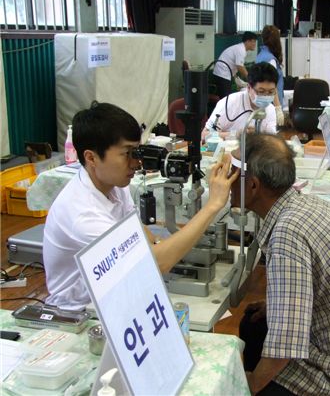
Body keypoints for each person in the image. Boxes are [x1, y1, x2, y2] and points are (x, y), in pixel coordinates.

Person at [233, 133, 330, 395]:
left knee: (256, 373)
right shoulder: (306, 203)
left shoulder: (288, 233)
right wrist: (276, 304)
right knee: (253, 323)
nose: (226, 179)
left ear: (253, 185)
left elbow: (284, 346)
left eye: (233, 172)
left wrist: (247, 387)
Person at [43, 102, 238, 310]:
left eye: (136, 152)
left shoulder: (113, 185)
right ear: (91, 157)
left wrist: (157, 245)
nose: (136, 163)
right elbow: (158, 264)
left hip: (114, 290)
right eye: (127, 153)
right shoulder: (82, 214)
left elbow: (136, 228)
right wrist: (213, 205)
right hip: (81, 310)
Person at [202, 63, 278, 142]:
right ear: (249, 87)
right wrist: (235, 135)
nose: (266, 96)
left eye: (271, 92)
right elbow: (204, 135)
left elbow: (272, 139)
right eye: (261, 91)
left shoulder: (270, 109)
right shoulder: (229, 104)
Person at [213, 32, 258, 98]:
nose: (255, 44)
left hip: (223, 74)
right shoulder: (241, 50)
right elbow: (240, 67)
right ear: (247, 41)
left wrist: (237, 79)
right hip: (222, 74)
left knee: (225, 98)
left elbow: (235, 65)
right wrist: (250, 80)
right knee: (225, 99)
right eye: (253, 42)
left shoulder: (240, 49)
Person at [256, 25, 285, 125]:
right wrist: (278, 108)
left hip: (261, 102)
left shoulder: (260, 56)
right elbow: (272, 86)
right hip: (270, 105)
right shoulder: (270, 59)